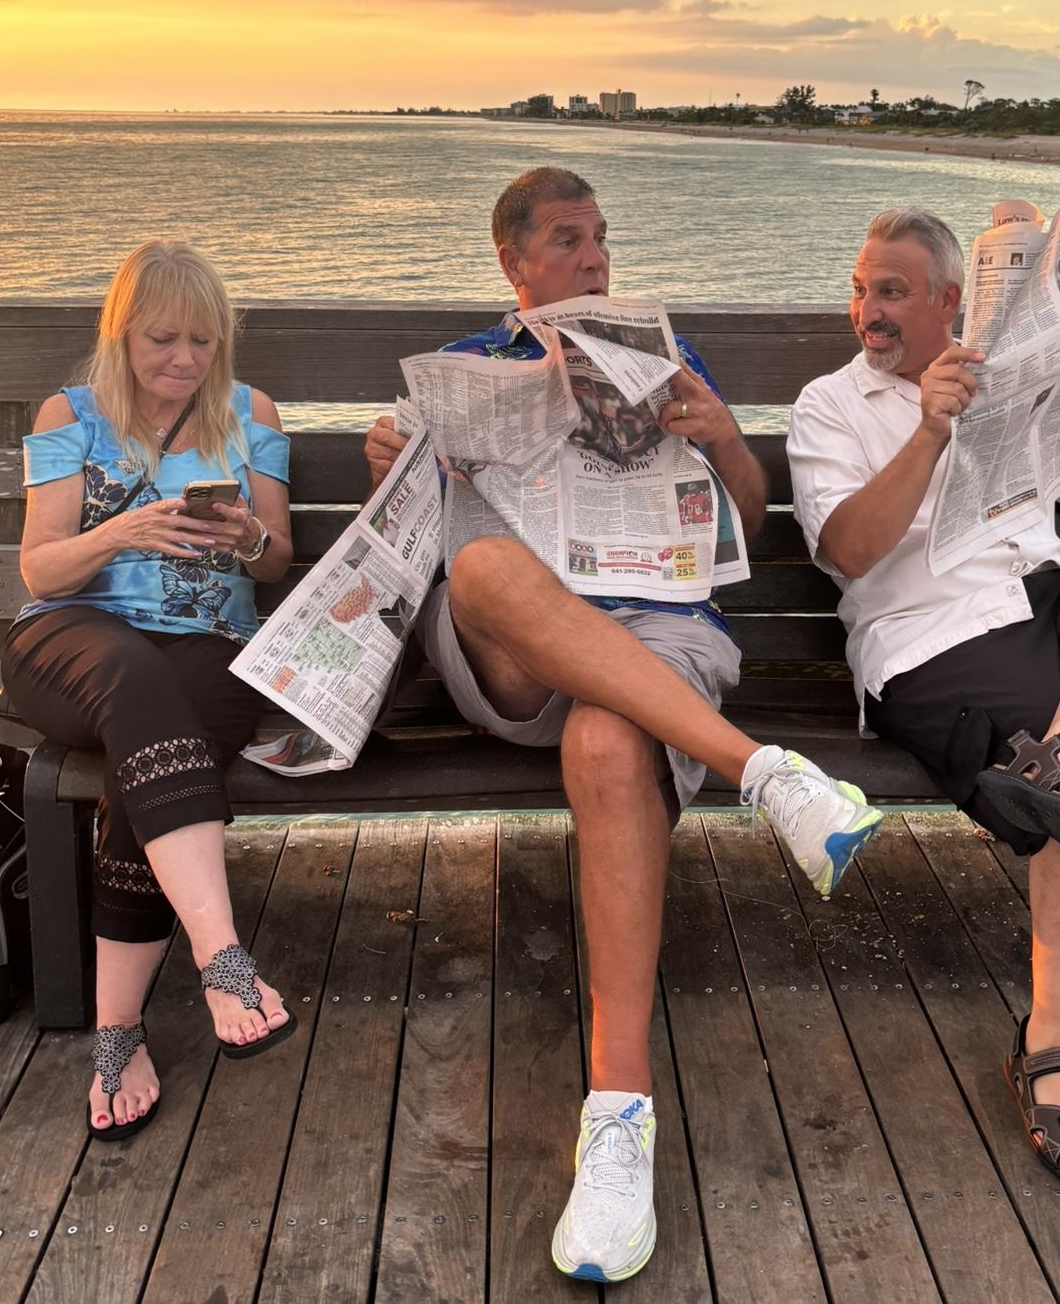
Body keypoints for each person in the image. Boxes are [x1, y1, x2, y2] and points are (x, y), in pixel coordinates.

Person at [365, 166, 883, 1283]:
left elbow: (737, 534)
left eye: (601, 238)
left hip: (659, 635)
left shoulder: (667, 358)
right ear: (514, 262)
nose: (595, 259)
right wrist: (401, 465)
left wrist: (726, 442)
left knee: (608, 737)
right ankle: (764, 773)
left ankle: (618, 1117)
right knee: (492, 566)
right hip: (512, 658)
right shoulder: (470, 370)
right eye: (567, 240)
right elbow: (417, 553)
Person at [787, 207, 1060, 1197]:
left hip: (1055, 606)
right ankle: (1054, 1033)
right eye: (863, 287)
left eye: (894, 290)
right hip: (936, 635)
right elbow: (850, 552)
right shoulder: (831, 405)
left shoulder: (1015, 385)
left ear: (954, 301)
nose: (870, 308)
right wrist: (928, 430)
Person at [1, 241, 296, 1143]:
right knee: (137, 682)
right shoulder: (74, 415)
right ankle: (221, 954)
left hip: (212, 643)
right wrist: (118, 532)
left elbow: (276, 559)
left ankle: (117, 1029)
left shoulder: (250, 415)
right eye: (164, 339)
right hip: (74, 637)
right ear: (122, 334)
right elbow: (41, 570)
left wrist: (246, 534)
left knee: (155, 736)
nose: (185, 361)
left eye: (203, 342)